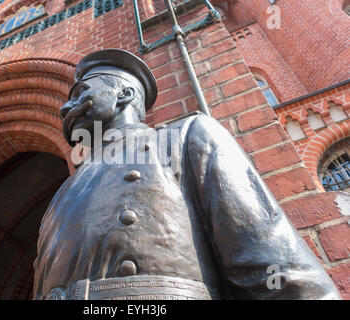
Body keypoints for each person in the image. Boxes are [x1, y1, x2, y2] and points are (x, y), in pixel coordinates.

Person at [33, 49, 341, 300]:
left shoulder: (188, 136)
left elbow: (280, 271)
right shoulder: (63, 191)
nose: (64, 109)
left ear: (124, 94)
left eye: (80, 93)